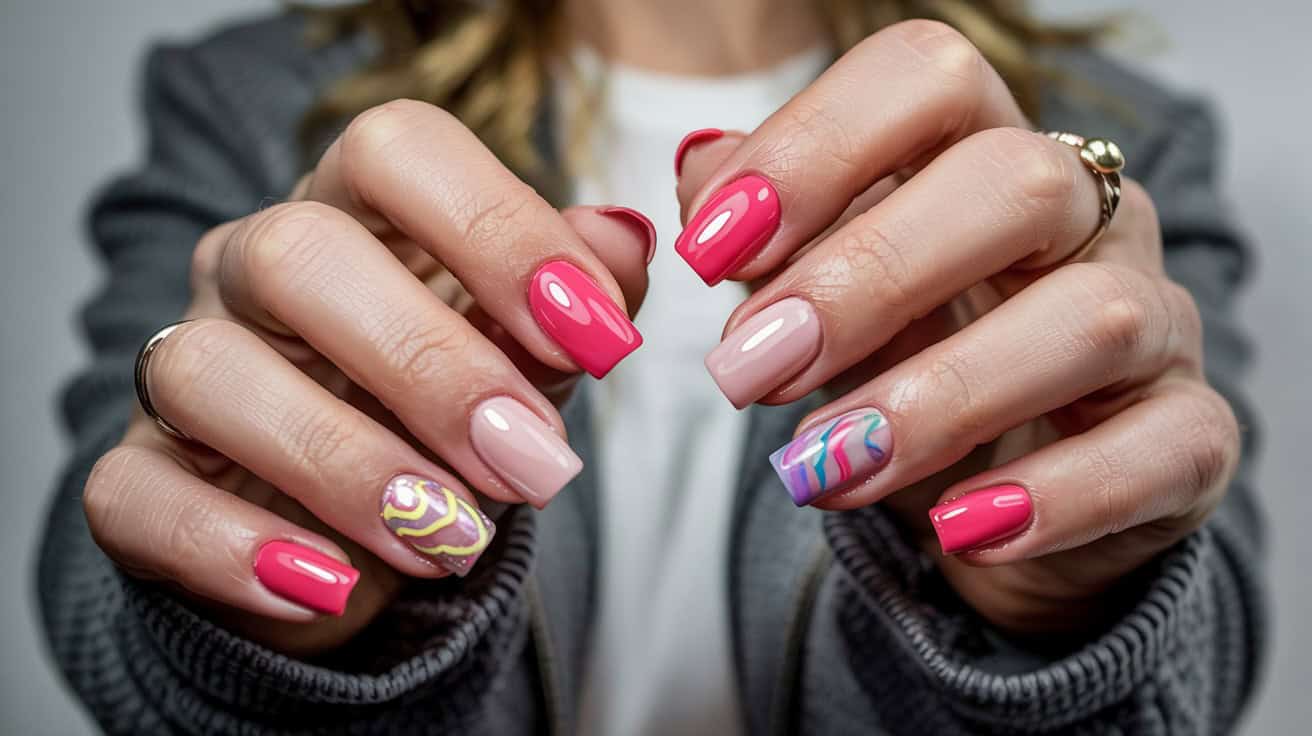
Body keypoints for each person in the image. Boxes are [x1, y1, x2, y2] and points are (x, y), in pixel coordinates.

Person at [39, 1, 1264, 734]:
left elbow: (1198, 659)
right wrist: (257, 625)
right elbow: (101, 581)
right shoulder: (253, 92)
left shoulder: (1095, 133)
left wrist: (1063, 614)